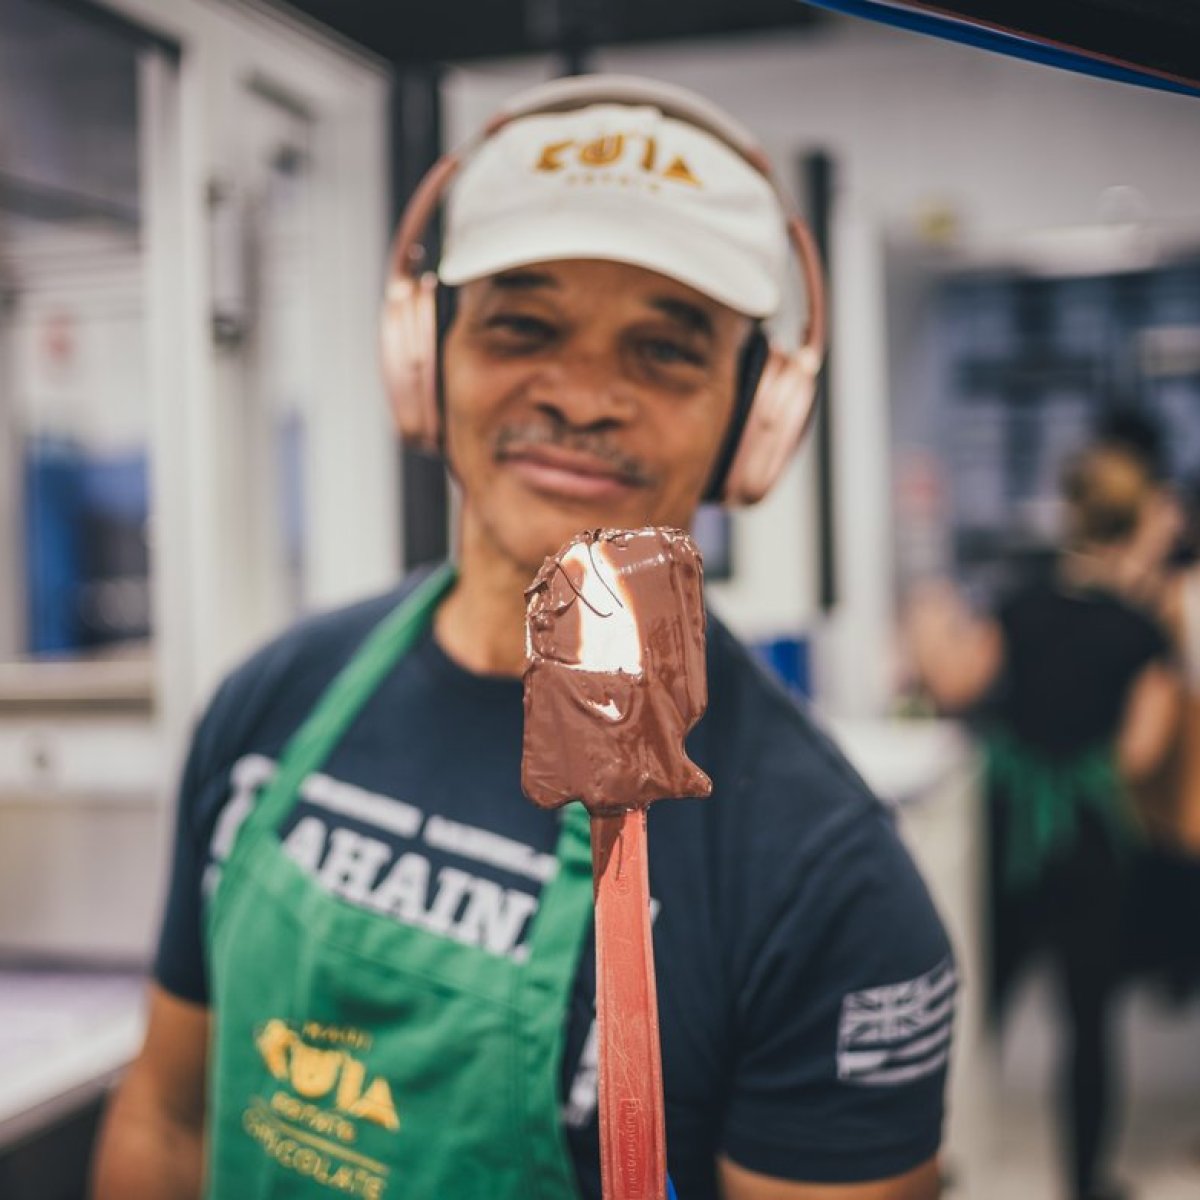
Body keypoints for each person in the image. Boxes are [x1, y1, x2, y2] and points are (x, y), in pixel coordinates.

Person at [92, 76, 954, 1200]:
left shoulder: (824, 877)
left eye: (664, 350)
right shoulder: (274, 699)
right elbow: (165, 1120)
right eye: (524, 325)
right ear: (424, 357)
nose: (587, 394)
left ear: (758, 420)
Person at [907, 442, 1180, 1200]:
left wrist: (927, 619)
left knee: (974, 1001)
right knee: (1088, 1020)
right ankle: (1086, 1181)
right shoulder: (1139, 628)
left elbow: (957, 681)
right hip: (1089, 836)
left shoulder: (1019, 599)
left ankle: (931, 1157)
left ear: (1072, 513)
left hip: (1007, 821)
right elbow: (1141, 751)